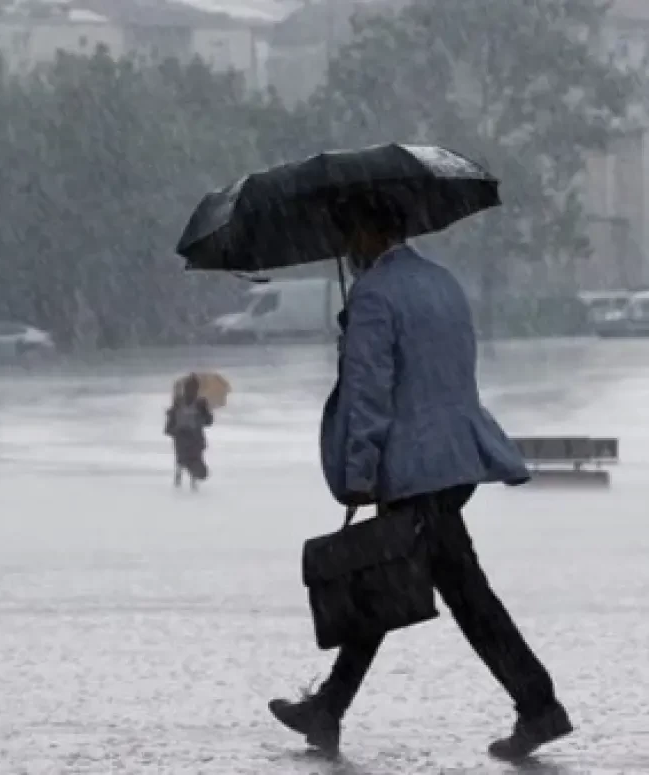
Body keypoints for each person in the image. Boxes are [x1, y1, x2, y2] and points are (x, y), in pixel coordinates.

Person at [267, 192, 572, 762]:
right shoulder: (442, 283)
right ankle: (328, 708)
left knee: (461, 595)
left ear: (365, 231)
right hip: (454, 459)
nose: (344, 247)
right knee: (386, 579)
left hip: (413, 469)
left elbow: (369, 395)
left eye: (346, 233)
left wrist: (359, 472)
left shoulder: (375, 296)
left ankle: (539, 704)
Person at [164, 373, 213, 490]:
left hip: (189, 437)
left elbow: (208, 421)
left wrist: (202, 417)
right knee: (186, 460)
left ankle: (186, 483)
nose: (191, 390)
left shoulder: (197, 402)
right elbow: (172, 417)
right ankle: (184, 484)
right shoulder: (184, 402)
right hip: (187, 437)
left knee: (188, 460)